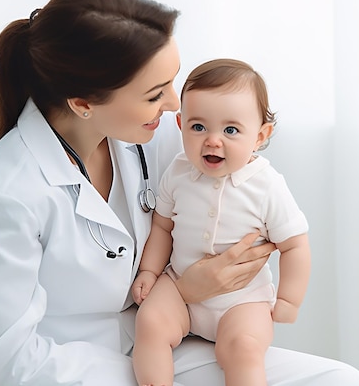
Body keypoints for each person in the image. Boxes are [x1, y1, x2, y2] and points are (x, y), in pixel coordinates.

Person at [0, 0, 359, 385]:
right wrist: (184, 289)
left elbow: (234, 186)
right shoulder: (2, 197)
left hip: (159, 342)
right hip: (66, 369)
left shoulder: (155, 135)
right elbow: (12, 364)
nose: (173, 106)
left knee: (340, 380)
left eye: (172, 82)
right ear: (83, 104)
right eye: (155, 93)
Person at [132, 59, 311, 386]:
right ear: (181, 123)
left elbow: (295, 245)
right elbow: (162, 227)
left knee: (243, 350)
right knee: (150, 323)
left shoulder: (267, 185)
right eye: (198, 127)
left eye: (230, 130)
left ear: (260, 135)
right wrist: (149, 272)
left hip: (243, 301)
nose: (213, 140)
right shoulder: (179, 171)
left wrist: (288, 299)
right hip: (180, 288)